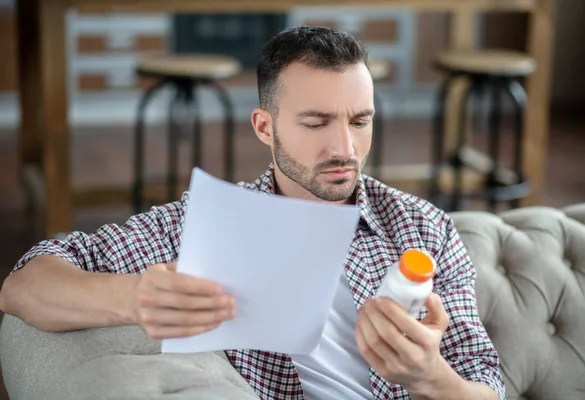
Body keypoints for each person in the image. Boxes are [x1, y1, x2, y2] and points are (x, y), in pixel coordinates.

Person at [0, 26, 505, 400]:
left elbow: (487, 383)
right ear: (265, 127)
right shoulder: (210, 224)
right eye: (316, 122)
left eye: (360, 120)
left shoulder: (421, 228)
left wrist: (427, 376)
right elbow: (23, 285)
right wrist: (133, 297)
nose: (345, 147)